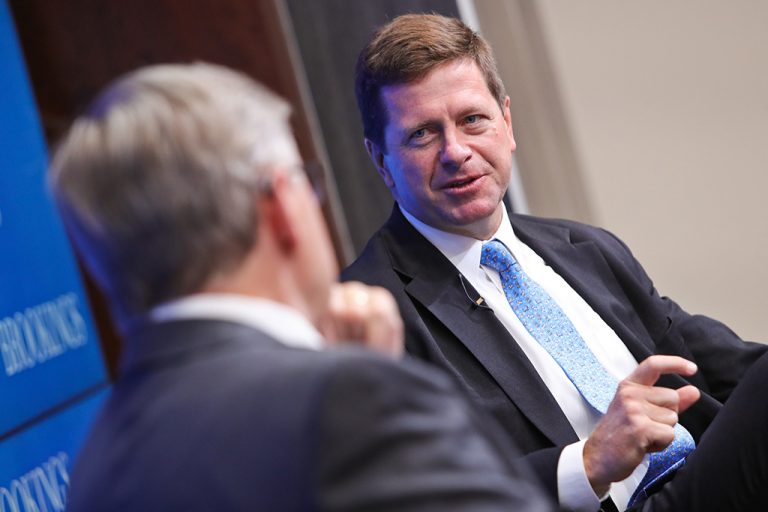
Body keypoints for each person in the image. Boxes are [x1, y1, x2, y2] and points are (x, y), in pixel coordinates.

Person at [50, 62, 555, 511]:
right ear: (281, 207)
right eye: (304, 181)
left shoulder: (98, 462)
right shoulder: (349, 400)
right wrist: (381, 390)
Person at [343, 13, 768, 512]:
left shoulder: (585, 247)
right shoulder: (370, 314)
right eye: (422, 134)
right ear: (380, 160)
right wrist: (588, 463)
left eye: (472, 120)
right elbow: (412, 495)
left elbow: (730, 366)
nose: (456, 152)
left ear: (506, 122)